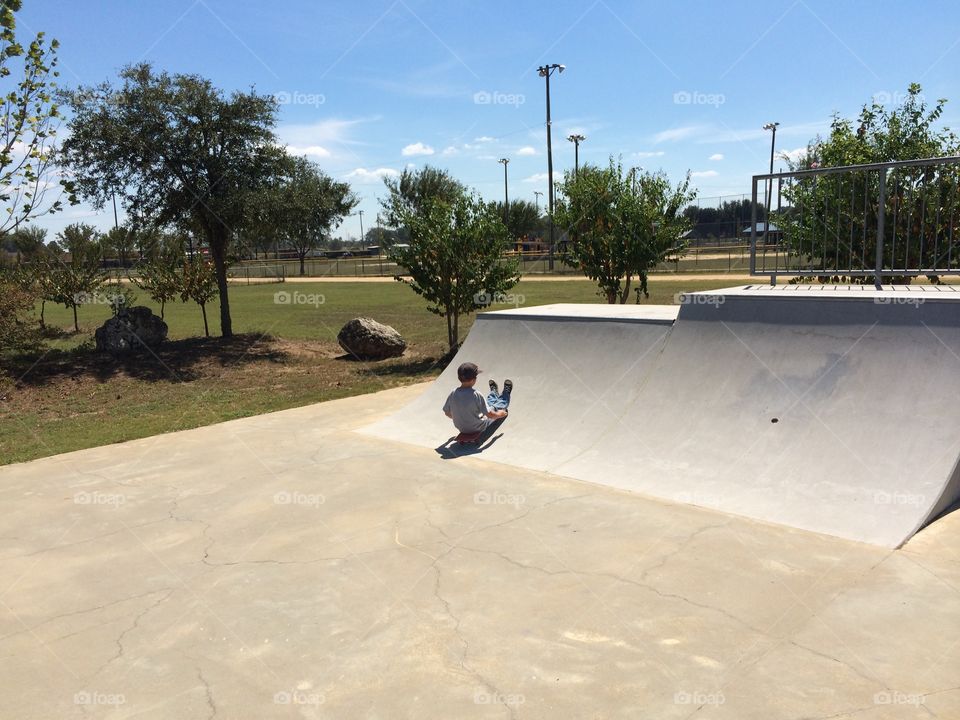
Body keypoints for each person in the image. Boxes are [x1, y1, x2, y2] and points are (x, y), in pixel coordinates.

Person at [442, 362, 512, 435]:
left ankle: (494, 393)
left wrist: (461, 417)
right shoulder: (476, 394)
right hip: (479, 427)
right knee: (494, 408)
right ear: (473, 380)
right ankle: (505, 394)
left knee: (483, 405)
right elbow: (490, 415)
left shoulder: (453, 393)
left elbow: (447, 412)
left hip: (461, 428)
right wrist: (500, 414)